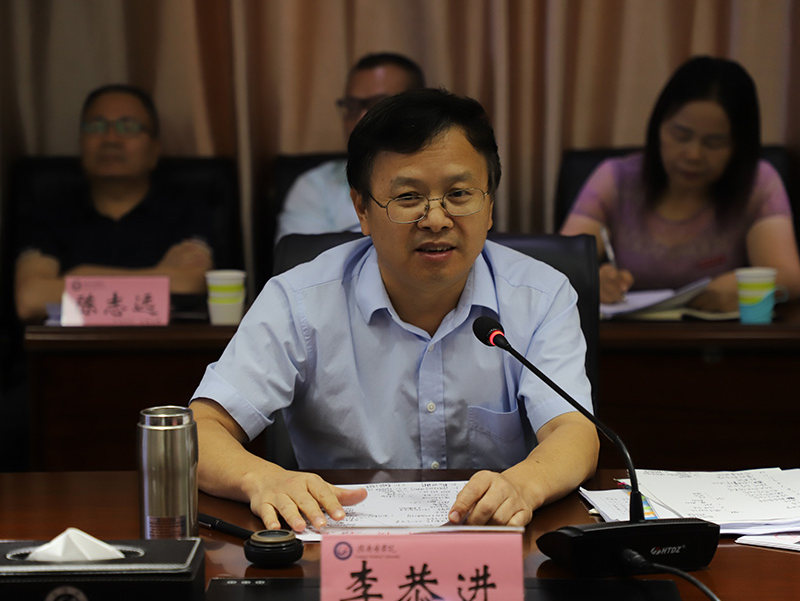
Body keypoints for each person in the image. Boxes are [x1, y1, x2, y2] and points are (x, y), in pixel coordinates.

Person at [190, 88, 599, 533]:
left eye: (459, 194)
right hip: (342, 546)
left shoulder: (540, 295)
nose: (436, 219)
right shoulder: (300, 300)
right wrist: (261, 478)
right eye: (408, 197)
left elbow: (574, 432)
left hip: (493, 542)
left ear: (489, 206)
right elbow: (201, 431)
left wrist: (523, 485)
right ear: (362, 210)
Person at [560, 56, 800, 310]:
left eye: (714, 143)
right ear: (658, 128)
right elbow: (558, 263)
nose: (693, 155)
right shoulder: (616, 178)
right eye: (681, 135)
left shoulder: (757, 183)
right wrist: (592, 280)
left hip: (718, 332)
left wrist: (742, 286)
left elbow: (791, 278)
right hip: (628, 331)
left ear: (739, 145)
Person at [14, 84, 214, 322]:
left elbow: (189, 285)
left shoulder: (189, 211)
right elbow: (31, 299)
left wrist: (79, 277)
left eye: (128, 127)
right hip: (70, 346)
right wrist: (160, 277)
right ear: (81, 142)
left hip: (162, 345)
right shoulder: (48, 213)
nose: (111, 138)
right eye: (96, 126)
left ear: (154, 149)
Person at [274, 52, 425, 242]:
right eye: (352, 106)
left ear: (419, 110)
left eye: (378, 105)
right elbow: (299, 258)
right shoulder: (317, 186)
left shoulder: (449, 177)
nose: (361, 118)